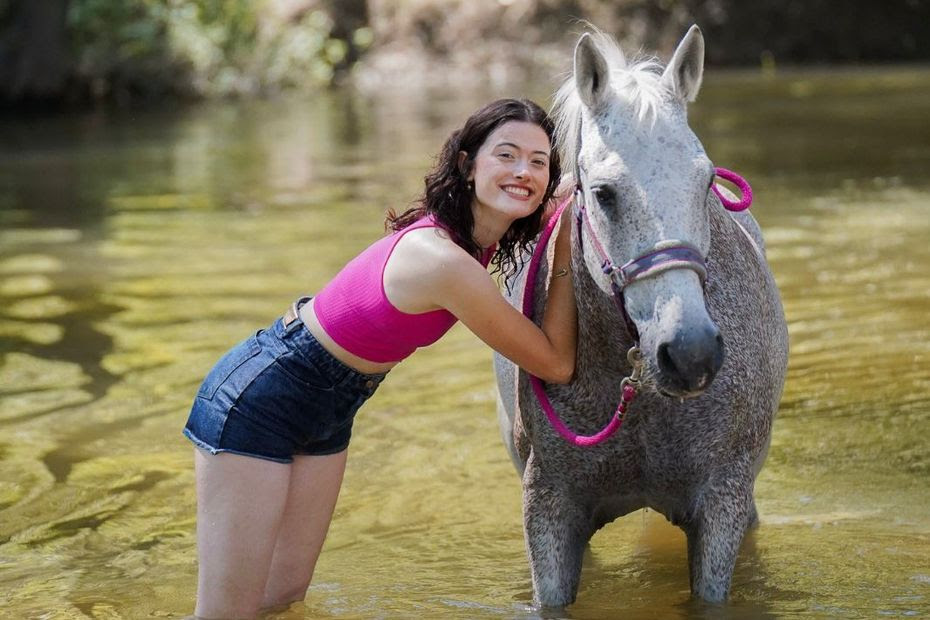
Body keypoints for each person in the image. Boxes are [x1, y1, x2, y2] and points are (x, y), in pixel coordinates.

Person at [183, 98, 577, 619]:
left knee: (283, 604)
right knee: (225, 616)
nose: (523, 171)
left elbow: (565, 196)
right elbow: (554, 364)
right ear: (467, 164)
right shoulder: (445, 262)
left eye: (539, 162)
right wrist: (566, 255)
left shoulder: (472, 236)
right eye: (506, 155)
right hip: (262, 396)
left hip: (332, 405)